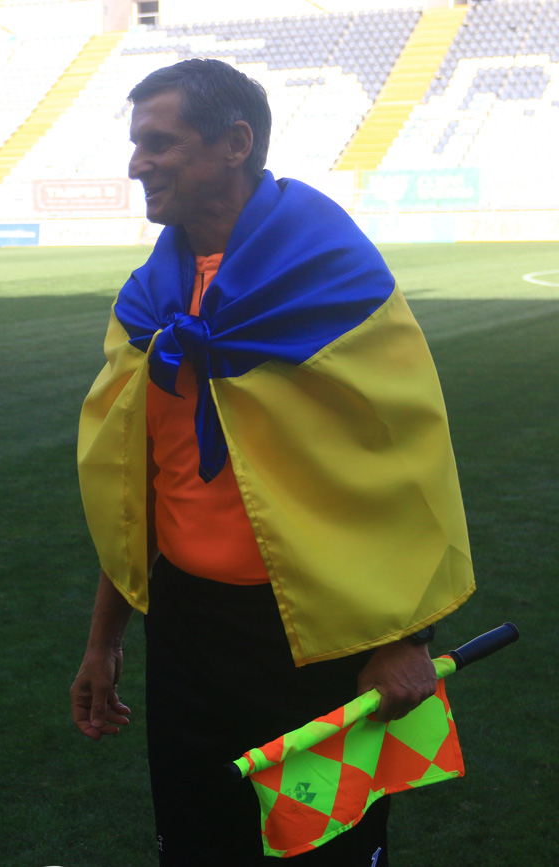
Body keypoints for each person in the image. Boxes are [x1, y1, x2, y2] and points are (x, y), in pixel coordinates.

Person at [69, 59, 475, 865]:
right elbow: (140, 485)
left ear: (235, 143)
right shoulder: (149, 303)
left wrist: (409, 636)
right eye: (135, 144)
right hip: (186, 631)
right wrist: (104, 638)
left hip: (315, 640)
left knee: (322, 849)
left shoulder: (329, 273)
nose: (137, 163)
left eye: (159, 143)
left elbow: (403, 462)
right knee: (197, 841)